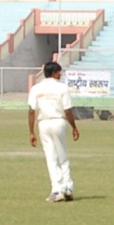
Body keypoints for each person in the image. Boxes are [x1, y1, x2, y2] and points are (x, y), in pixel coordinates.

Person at [27, 61, 79, 202]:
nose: (60, 74)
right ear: (54, 73)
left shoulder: (36, 88)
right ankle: (67, 187)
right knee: (62, 156)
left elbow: (32, 111)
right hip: (59, 122)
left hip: (44, 123)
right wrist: (74, 126)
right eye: (59, 72)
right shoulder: (62, 88)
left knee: (51, 158)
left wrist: (31, 132)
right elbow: (68, 110)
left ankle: (57, 190)